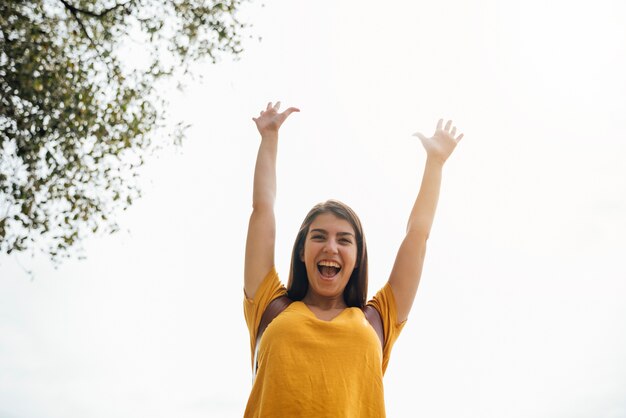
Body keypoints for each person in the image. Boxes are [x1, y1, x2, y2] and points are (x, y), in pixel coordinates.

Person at [243, 101, 464, 417]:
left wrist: (436, 163)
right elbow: (262, 211)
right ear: (302, 251)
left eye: (344, 240)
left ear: (358, 258)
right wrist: (269, 139)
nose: (331, 247)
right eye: (319, 236)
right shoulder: (270, 305)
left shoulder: (377, 320)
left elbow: (418, 236)